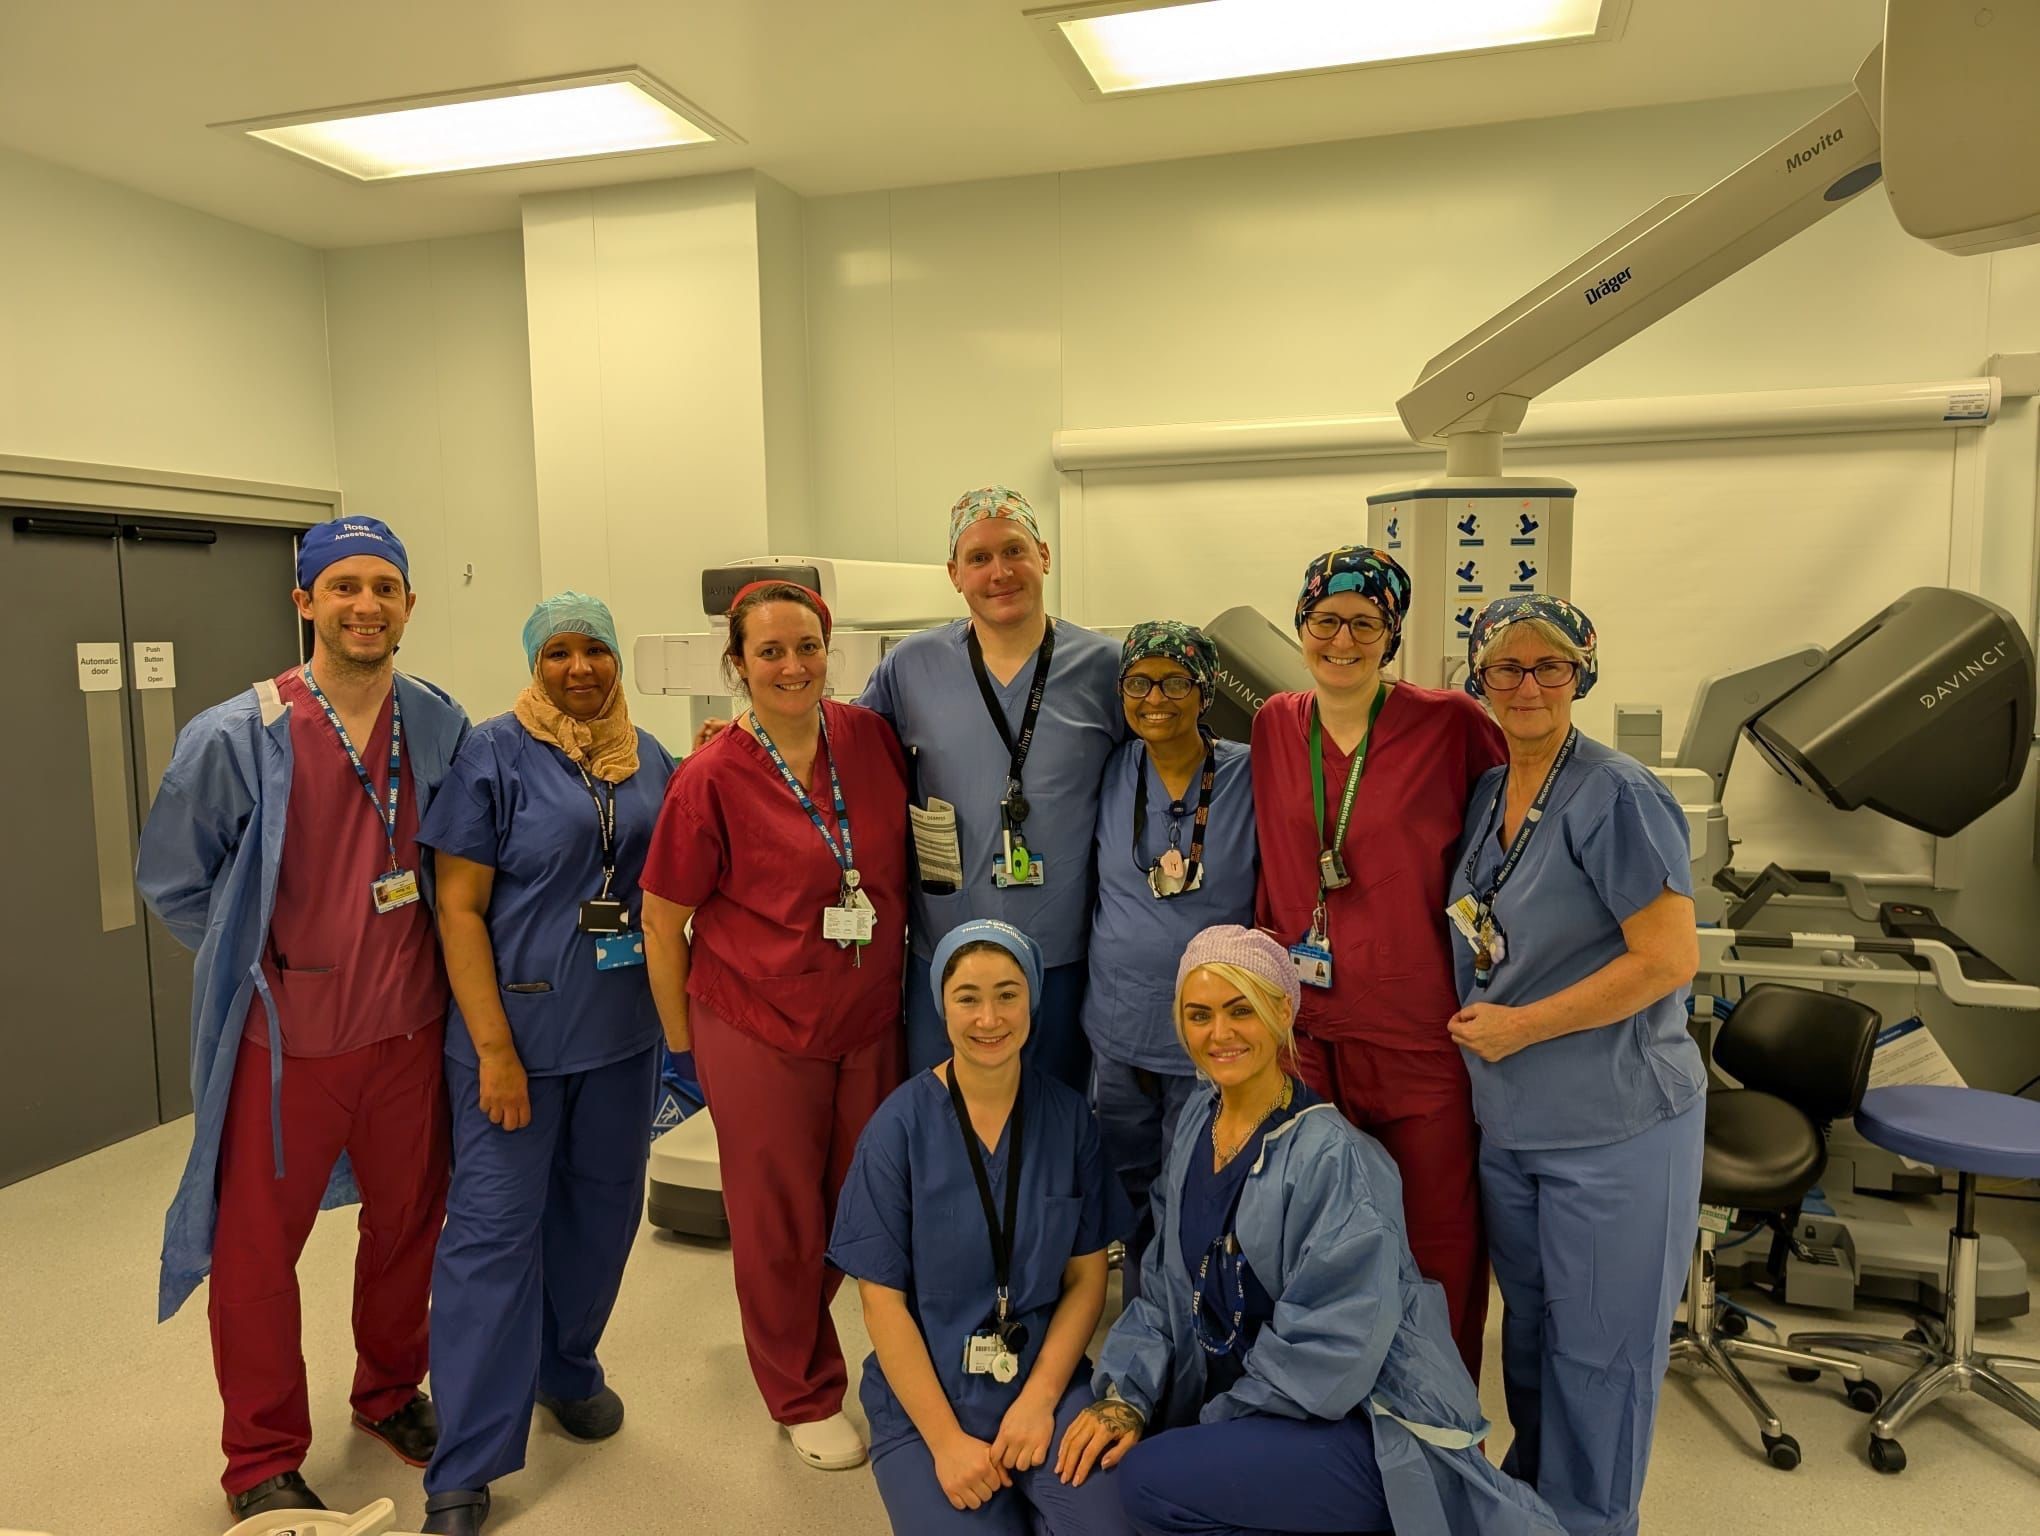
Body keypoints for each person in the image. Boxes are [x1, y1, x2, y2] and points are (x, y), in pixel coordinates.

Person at [136, 517, 467, 1519]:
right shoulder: (238, 736)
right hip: (285, 1048)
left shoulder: (439, 723)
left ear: (409, 603)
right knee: (253, 1253)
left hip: (409, 1034)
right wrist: (264, 965)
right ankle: (263, 1455)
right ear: (305, 602)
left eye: (385, 587)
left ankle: (385, 1394)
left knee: (409, 1226)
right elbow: (174, 880)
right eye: (344, 586)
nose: (365, 604)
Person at [1060, 925, 1564, 1536]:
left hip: (1354, 1429)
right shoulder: (1198, 1122)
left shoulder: (1333, 1158)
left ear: (1281, 1011)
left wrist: (1209, 1427)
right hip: (1256, 1410)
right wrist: (1127, 1397)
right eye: (1199, 1015)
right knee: (1097, 1468)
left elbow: (1332, 1356)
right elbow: (1167, 1291)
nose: (1218, 1033)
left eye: (1239, 1009)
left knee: (1146, 1482)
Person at [411, 594, 676, 1535]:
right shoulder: (492, 753)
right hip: (514, 1042)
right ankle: (466, 1463)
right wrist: (491, 1048)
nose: (579, 668)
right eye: (557, 651)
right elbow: (458, 909)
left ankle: (567, 1367)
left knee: (601, 1216)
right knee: (491, 1239)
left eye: (595, 648)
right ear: (534, 663)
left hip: (622, 1037)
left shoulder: (650, 757)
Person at [1446, 595, 1704, 1536]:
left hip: (1616, 1123)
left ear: (1581, 675)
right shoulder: (1489, 792)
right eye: (1506, 667)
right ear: (1478, 677)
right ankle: (1537, 1507)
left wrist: (1523, 1027)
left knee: (1603, 1356)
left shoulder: (1618, 794)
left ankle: (1592, 1521)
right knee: (1537, 1341)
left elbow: (1669, 960)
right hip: (1515, 1122)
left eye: (1549, 667)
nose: (1526, 685)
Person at [639, 579, 910, 1472]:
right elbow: (661, 920)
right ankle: (800, 1389)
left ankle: (806, 1331)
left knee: (858, 1200)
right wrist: (684, 1046)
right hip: (756, 1023)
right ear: (737, 664)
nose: (792, 666)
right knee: (778, 1215)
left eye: (807, 647)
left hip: (865, 1014)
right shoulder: (710, 776)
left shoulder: (868, 739)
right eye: (769, 652)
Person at [1250, 545, 1504, 1377]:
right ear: (1301, 627)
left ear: (1391, 635)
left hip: (1420, 1034)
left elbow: (1514, 846)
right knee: (1318, 1234)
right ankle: (1332, 1406)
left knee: (1436, 1242)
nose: (1343, 639)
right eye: (1326, 620)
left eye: (1366, 623)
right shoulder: (1274, 723)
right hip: (1310, 1032)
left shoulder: (1451, 724)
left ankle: (1438, 1409)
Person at [829, 921, 1133, 1535]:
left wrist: (1042, 1399)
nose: (989, 1017)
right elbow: (880, 1302)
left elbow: (1085, 1278)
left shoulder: (1069, 1119)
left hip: (1041, 1380)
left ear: (1034, 1002)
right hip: (927, 1402)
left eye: (1007, 994)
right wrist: (945, 1443)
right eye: (967, 997)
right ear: (942, 1007)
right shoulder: (898, 1129)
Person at [857, 486, 1124, 1091]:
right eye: (978, 558)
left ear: (1045, 556)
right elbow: (844, 756)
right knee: (945, 1121)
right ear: (954, 574)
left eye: (1014, 551)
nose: (999, 573)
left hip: (1062, 953)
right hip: (945, 952)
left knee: (1055, 1120)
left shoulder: (1106, 668)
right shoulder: (911, 667)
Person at [1083, 621, 1255, 1302]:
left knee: (1196, 1179)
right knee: (1125, 1176)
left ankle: (1188, 1313)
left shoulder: (1249, 770)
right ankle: (1140, 1311)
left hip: (1213, 1033)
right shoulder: (1106, 769)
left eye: (1176, 681)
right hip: (1120, 1023)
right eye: (1139, 682)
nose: (1156, 697)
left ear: (1204, 689)